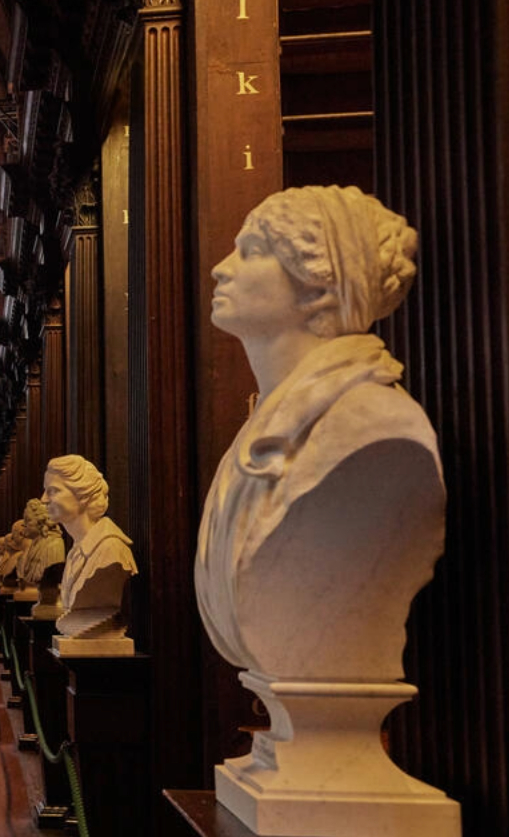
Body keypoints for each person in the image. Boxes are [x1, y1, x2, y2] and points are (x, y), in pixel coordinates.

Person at [196, 185, 441, 681]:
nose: (221, 268)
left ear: (321, 288)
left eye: (252, 251)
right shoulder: (263, 429)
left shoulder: (374, 428)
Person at [42, 455, 135, 641]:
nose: (44, 499)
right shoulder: (76, 551)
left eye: (53, 491)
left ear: (83, 496)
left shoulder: (110, 550)